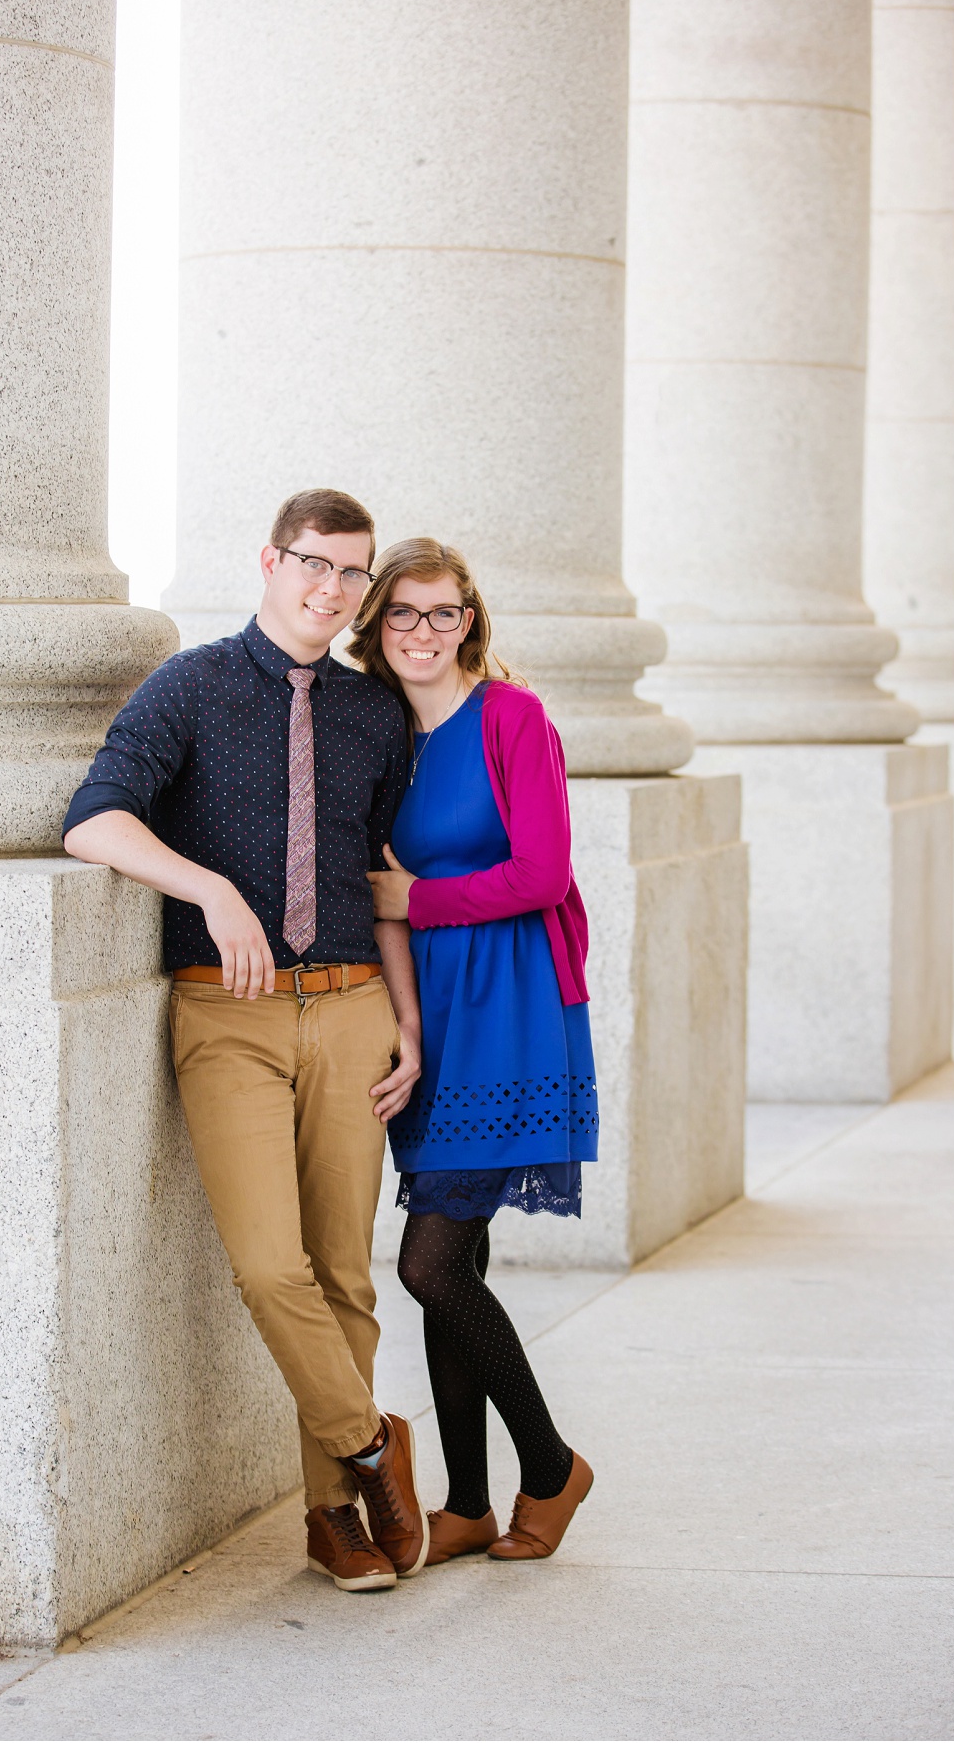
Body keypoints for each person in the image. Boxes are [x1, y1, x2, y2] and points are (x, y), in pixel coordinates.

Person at [62, 490, 430, 1593]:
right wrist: (208, 888)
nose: (330, 590)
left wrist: (410, 1022)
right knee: (273, 1266)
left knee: (344, 1272)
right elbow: (94, 815)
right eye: (313, 564)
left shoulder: (376, 716)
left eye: (351, 575)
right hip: (228, 1014)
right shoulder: (194, 684)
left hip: (357, 1005)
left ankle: (334, 1517)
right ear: (270, 561)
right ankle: (371, 1443)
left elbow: (384, 877)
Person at [349, 536, 598, 1566]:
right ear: (377, 628)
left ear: (470, 621)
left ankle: (551, 1467)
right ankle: (465, 1503)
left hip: (513, 1006)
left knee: (431, 1261)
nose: (422, 632)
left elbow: (544, 871)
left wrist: (422, 897)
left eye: (441, 613)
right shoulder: (380, 741)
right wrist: (404, 1013)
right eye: (402, 614)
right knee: (461, 1255)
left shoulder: (512, 716)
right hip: (431, 1012)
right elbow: (375, 896)